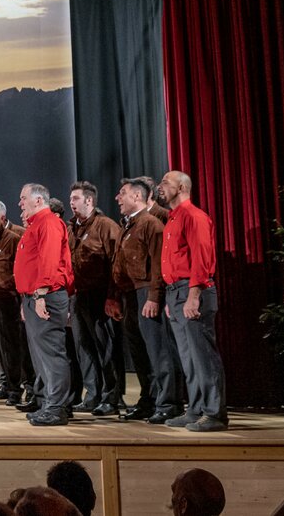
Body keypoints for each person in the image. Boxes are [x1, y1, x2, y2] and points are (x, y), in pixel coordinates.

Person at [158, 171, 228, 432]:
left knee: (203, 356)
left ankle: (215, 413)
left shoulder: (193, 216)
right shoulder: (173, 218)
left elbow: (201, 258)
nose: (160, 185)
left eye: (166, 182)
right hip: (176, 292)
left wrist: (193, 295)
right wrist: (171, 296)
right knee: (188, 358)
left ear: (182, 187)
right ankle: (196, 408)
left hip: (192, 289)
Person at [107, 177, 180, 424]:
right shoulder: (129, 225)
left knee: (158, 351)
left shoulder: (151, 224)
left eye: (123, 193)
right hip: (130, 295)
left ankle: (168, 402)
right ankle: (149, 399)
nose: (118, 198)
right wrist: (115, 296)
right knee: (139, 352)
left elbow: (159, 264)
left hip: (146, 292)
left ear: (137, 196)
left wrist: (154, 297)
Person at [14, 183, 74, 426]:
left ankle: (57, 407)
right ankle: (50, 403)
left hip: (46, 296)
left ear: (38, 200)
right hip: (35, 297)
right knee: (41, 357)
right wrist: (27, 299)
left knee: (52, 355)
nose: (20, 203)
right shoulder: (35, 225)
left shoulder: (48, 222)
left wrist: (39, 296)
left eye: (23, 198)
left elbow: (49, 262)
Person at [67, 181, 122, 416]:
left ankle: (112, 396)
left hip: (101, 295)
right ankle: (93, 394)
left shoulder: (106, 226)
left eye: (76, 199)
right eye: (70, 199)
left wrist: (112, 297)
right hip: (79, 296)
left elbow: (117, 265)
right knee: (84, 347)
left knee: (106, 347)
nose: (71, 203)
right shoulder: (71, 228)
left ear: (89, 200)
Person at [0, 199, 29, 406]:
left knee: (8, 347)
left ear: (1, 217)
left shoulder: (13, 238)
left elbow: (21, 271)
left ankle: (14, 389)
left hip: (6, 299)